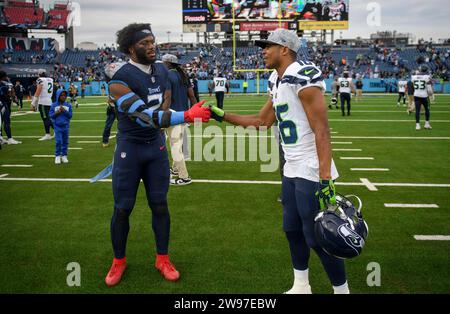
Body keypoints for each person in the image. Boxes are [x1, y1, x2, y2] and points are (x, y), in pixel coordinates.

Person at [209, 28, 349, 294]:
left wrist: (325, 178)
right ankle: (301, 285)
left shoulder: (303, 76)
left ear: (284, 49)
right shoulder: (277, 78)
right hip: (291, 166)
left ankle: (342, 291)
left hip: (310, 167)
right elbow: (262, 121)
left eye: (268, 46)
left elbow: (322, 131)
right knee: (291, 228)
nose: (263, 51)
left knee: (318, 236)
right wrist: (220, 115)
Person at [103, 23, 211, 287]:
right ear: (131, 48)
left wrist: (169, 116)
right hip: (130, 148)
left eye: (153, 41)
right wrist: (185, 115)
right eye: (145, 43)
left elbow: (164, 102)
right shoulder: (119, 79)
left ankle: (162, 258)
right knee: (123, 207)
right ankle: (119, 260)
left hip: (155, 148)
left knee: (160, 204)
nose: (152, 46)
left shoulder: (162, 70)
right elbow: (145, 117)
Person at [162, 54, 198, 186]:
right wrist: (195, 113)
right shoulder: (183, 75)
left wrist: (161, 115)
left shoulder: (168, 76)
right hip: (184, 114)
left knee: (175, 147)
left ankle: (184, 177)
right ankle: (176, 169)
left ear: (168, 64)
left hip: (173, 115)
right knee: (178, 144)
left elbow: (168, 98)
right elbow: (192, 96)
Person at [49, 90, 72, 164]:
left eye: (64, 95)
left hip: (66, 126)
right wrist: (57, 112)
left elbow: (70, 116)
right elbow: (51, 116)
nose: (63, 97)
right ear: (58, 96)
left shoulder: (68, 105)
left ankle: (64, 155)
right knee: (58, 141)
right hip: (57, 126)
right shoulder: (54, 105)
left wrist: (64, 111)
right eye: (61, 95)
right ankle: (57, 156)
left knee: (65, 141)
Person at [32, 72, 54, 141]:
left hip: (43, 102)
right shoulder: (50, 79)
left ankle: (48, 134)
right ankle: (57, 130)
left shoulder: (40, 80)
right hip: (49, 100)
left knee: (45, 118)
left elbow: (38, 90)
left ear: (39, 75)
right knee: (48, 118)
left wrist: (33, 102)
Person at [0, 72, 21, 145]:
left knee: (1, 121)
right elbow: (8, 94)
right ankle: (10, 138)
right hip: (3, 104)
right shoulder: (3, 84)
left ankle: (1, 138)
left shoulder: (5, 83)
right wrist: (11, 99)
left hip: (3, 103)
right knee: (6, 121)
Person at [411, 65, 432, 130]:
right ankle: (427, 124)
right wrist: (431, 95)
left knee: (417, 110)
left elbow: (413, 85)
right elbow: (429, 89)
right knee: (427, 109)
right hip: (424, 96)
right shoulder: (427, 77)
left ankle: (417, 125)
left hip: (416, 95)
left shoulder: (414, 77)